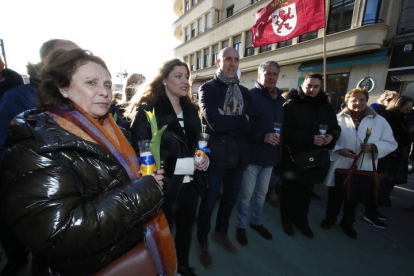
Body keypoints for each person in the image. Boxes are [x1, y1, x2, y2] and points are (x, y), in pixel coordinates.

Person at [0, 48, 168, 275]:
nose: (105, 92)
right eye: (91, 83)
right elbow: (57, 234)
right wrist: (144, 190)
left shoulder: (111, 130)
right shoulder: (35, 143)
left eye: (108, 85)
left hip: (126, 250)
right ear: (63, 88)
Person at [0, 39, 79, 276]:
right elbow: (4, 145)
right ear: (48, 61)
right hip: (40, 196)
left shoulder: (79, 94)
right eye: (70, 56)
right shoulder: (18, 97)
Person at [127, 59, 208, 276]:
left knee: (185, 232)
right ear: (164, 80)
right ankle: (164, 270)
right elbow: (144, 159)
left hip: (190, 187)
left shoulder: (192, 111)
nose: (185, 81)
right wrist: (186, 165)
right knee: (161, 237)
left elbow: (195, 148)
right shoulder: (148, 112)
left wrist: (203, 160)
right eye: (178, 76)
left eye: (187, 77)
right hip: (164, 188)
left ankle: (182, 266)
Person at [197, 47, 256, 268]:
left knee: (230, 201)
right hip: (216, 159)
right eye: (228, 59)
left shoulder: (245, 92)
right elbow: (215, 123)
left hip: (239, 158)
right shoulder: (208, 89)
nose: (232, 63)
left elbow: (254, 125)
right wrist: (243, 119)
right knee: (208, 204)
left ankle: (220, 233)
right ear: (218, 62)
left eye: (236, 60)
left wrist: (234, 122)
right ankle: (202, 242)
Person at [321, 88, 397, 239]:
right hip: (341, 164)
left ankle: (347, 223)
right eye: (354, 100)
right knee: (335, 196)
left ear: (367, 101)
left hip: (363, 165)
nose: (358, 103)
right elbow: (327, 140)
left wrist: (374, 147)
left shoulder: (379, 121)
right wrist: (338, 150)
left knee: (354, 197)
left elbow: (391, 143)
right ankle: (330, 219)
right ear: (347, 102)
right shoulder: (337, 119)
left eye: (362, 99)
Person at [280, 73, 340, 239]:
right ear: (302, 85)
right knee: (289, 191)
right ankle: (286, 220)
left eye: (316, 86)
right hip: (293, 157)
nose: (312, 89)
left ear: (320, 87)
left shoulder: (325, 106)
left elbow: (335, 128)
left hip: (314, 158)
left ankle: (301, 221)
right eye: (309, 86)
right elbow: (284, 131)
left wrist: (331, 137)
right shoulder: (291, 105)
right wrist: (309, 138)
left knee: (306, 192)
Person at [236, 61, 284, 245]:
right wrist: (262, 137)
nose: (271, 77)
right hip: (252, 156)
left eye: (274, 74)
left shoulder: (280, 100)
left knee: (262, 194)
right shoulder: (249, 96)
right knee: (246, 195)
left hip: (270, 157)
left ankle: (256, 222)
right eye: (267, 73)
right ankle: (241, 226)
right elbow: (242, 127)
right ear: (259, 75)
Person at [377, 96, 414, 207]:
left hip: (394, 154)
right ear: (399, 106)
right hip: (387, 155)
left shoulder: (400, 117)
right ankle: (372, 208)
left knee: (387, 182)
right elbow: (400, 137)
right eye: (407, 109)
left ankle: (376, 205)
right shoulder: (392, 118)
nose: (408, 111)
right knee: (382, 182)